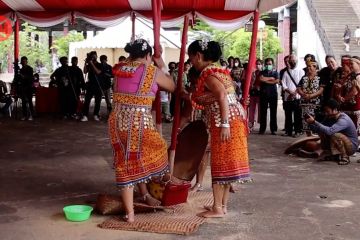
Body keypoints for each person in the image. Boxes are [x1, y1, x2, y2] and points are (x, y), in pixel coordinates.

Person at [109, 39, 175, 222]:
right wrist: (161, 62)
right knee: (159, 149)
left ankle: (130, 212)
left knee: (127, 161)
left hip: (117, 122)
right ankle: (155, 184)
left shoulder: (120, 68)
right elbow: (172, 86)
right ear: (148, 56)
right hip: (138, 121)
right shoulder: (151, 71)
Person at [188, 40, 250, 218]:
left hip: (225, 120)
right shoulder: (220, 71)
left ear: (198, 56)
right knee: (226, 162)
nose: (190, 61)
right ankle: (221, 206)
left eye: (191, 57)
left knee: (220, 162)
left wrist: (224, 124)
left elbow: (222, 95)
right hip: (235, 118)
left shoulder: (208, 73)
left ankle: (217, 208)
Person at [306, 99, 358, 165]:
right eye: (325, 111)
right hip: (343, 143)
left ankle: (345, 157)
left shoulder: (343, 119)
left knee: (335, 135)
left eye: (328, 111)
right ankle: (333, 155)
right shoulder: (330, 117)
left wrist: (314, 122)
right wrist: (310, 123)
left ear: (335, 109)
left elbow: (329, 131)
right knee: (322, 131)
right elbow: (319, 129)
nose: (326, 113)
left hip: (351, 147)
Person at [297, 60, 324, 136]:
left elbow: (321, 90)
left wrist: (311, 96)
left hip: (315, 104)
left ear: (315, 67)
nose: (308, 68)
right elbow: (298, 88)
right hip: (305, 103)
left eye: (310, 66)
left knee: (314, 121)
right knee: (305, 121)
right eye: (308, 66)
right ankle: (308, 137)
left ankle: (316, 139)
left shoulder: (320, 78)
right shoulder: (304, 77)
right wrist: (303, 94)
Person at [282, 54, 305, 137]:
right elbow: (283, 84)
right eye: (291, 60)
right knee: (288, 115)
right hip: (287, 97)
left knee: (297, 115)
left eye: (294, 60)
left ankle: (297, 131)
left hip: (297, 97)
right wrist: (290, 92)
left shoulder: (301, 71)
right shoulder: (285, 72)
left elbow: (302, 83)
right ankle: (288, 131)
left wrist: (295, 93)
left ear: (297, 61)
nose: (293, 62)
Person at [259, 58, 279, 135]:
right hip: (263, 94)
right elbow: (261, 79)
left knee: (273, 112)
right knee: (263, 112)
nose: (268, 65)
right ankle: (262, 129)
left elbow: (277, 81)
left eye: (270, 64)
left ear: (272, 64)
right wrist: (271, 79)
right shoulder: (262, 72)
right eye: (267, 64)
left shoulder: (275, 73)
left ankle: (273, 129)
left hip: (273, 94)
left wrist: (265, 80)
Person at [81, 51, 103, 122]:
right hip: (90, 85)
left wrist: (91, 63)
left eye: (94, 56)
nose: (93, 57)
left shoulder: (100, 65)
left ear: (97, 56)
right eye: (92, 56)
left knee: (98, 101)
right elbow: (84, 71)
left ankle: (96, 115)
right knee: (87, 101)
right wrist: (86, 63)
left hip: (98, 85)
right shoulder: (89, 64)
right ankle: (85, 115)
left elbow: (98, 72)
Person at [13, 56, 35, 121]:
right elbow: (17, 79)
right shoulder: (20, 70)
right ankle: (24, 115)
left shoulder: (30, 69)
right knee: (23, 102)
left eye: (25, 61)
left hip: (29, 87)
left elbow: (31, 78)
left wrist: (23, 77)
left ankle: (31, 115)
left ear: (26, 62)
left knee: (30, 101)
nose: (23, 63)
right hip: (22, 87)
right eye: (22, 62)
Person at [248, 59, 262, 131]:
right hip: (253, 92)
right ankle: (251, 124)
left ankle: (261, 124)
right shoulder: (253, 73)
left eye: (259, 64)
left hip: (261, 93)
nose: (257, 65)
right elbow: (250, 82)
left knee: (260, 109)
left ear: (262, 65)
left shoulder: (263, 73)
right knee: (251, 109)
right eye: (257, 64)